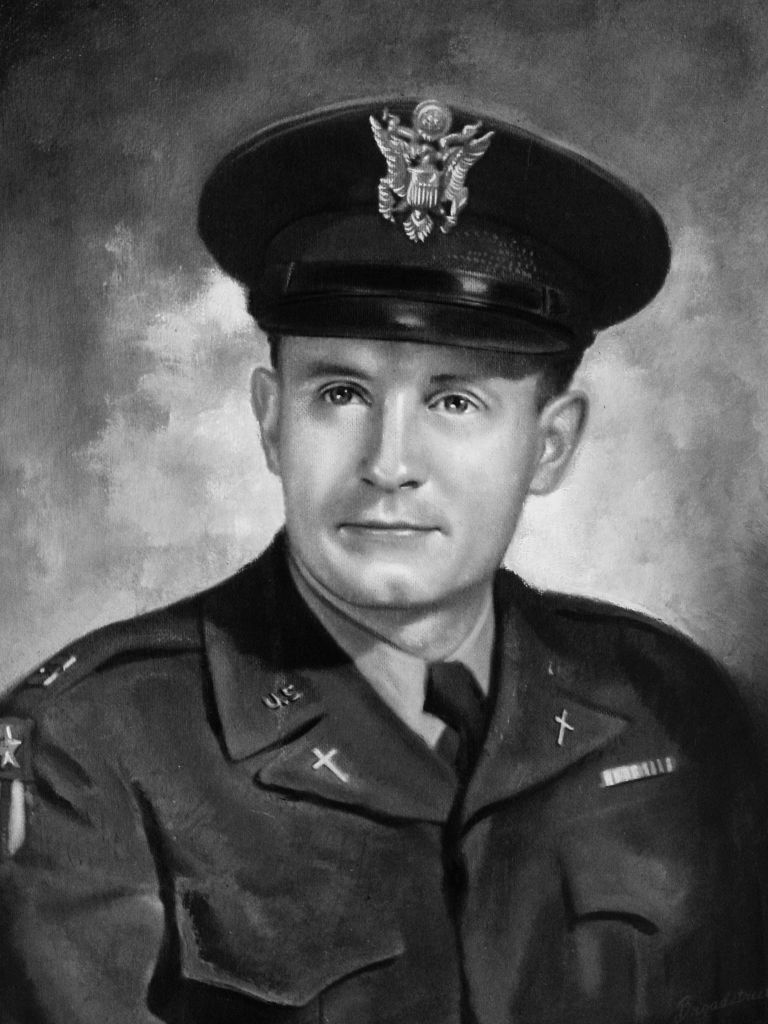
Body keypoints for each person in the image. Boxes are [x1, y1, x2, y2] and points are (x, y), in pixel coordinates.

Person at [0, 97, 765, 1024]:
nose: (389, 463)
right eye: (341, 392)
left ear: (551, 443)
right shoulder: (89, 744)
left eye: (454, 401)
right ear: (272, 420)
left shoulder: (671, 707)